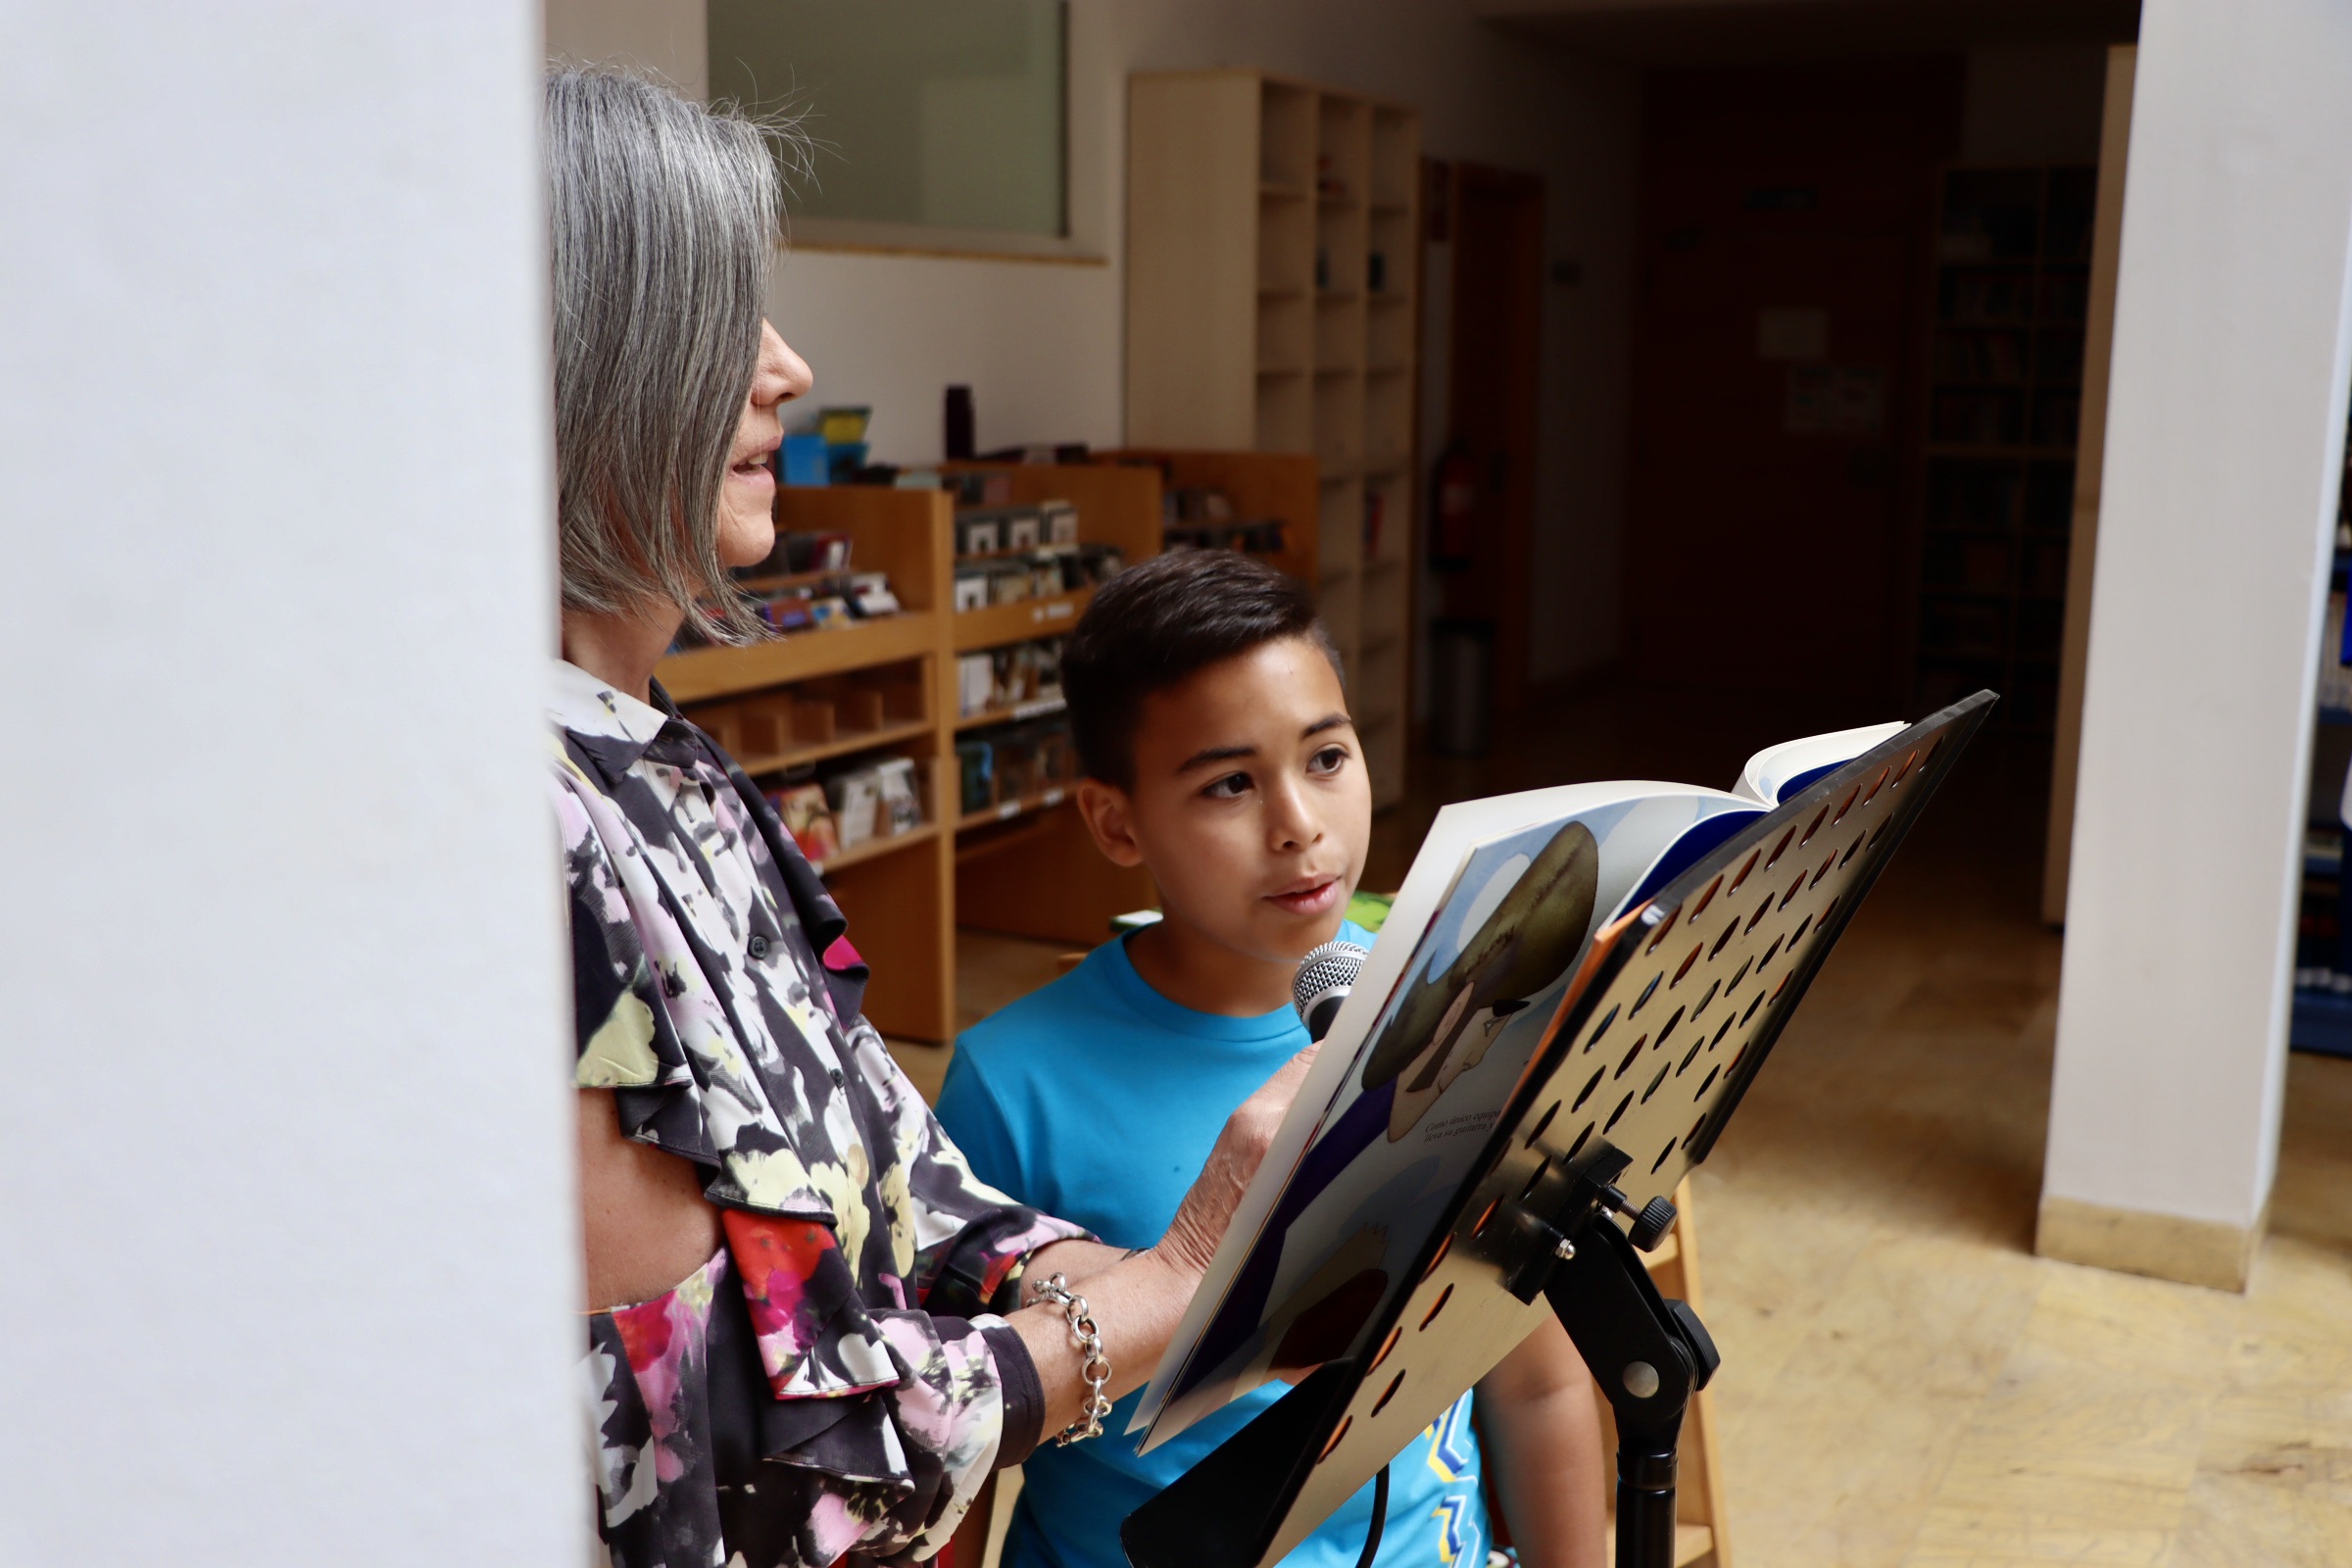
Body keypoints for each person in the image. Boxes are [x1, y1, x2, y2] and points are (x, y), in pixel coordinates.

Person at [543, 69, 1314, 1568]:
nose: (787, 367)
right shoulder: (523, 833)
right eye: (724, 319)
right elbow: (744, 1464)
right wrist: (1186, 1270)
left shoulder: (672, 768)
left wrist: (1233, 1280)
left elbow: (909, 1203)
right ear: (587, 367)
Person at [937, 552, 1611, 1568]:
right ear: (1116, 822)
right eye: (1229, 784)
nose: (1300, 825)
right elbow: (968, 1440)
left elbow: (1535, 1382)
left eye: (1327, 758)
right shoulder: (1009, 1080)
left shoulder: (1468, 1014)